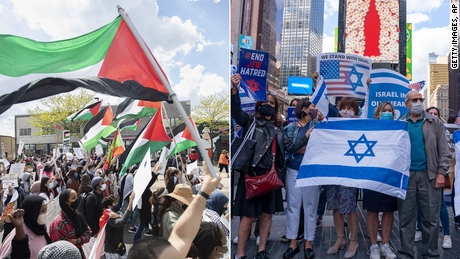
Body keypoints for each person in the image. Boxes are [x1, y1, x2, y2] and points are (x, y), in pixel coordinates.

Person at [231, 73, 311, 259]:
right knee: (248, 217)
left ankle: (262, 250)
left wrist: (305, 137)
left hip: (271, 176)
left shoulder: (278, 128)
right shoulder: (249, 122)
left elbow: (289, 147)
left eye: (273, 104)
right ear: (259, 105)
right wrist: (234, 89)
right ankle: (240, 254)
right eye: (266, 102)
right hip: (252, 175)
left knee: (267, 215)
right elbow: (236, 112)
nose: (269, 105)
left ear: (276, 108)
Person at [127, 162, 221, 259]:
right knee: (141, 226)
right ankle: (136, 240)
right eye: (185, 200)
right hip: (168, 243)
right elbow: (181, 236)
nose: (186, 203)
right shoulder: (171, 214)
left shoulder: (175, 208)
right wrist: (204, 193)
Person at [398, 90, 451, 259]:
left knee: (430, 218)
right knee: (406, 218)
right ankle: (406, 252)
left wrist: (442, 173)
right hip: (405, 178)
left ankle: (431, 252)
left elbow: (444, 151)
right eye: (414, 100)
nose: (419, 102)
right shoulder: (399, 124)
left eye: (420, 99)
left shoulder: (434, 122)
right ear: (407, 103)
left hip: (429, 176)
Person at [282, 98, 320, 259]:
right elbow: (288, 148)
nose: (315, 109)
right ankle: (293, 243)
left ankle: (309, 243)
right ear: (304, 109)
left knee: (311, 208)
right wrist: (302, 142)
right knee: (293, 207)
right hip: (293, 170)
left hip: (312, 171)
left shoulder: (319, 127)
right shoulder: (290, 128)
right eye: (313, 107)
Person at [412, 107, 452, 249]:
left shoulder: (440, 128)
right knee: (419, 204)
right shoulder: (420, 125)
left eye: (436, 114)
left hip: (437, 171)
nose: (434, 115)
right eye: (432, 113)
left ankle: (447, 234)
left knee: (440, 205)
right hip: (422, 172)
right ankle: (420, 230)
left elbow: (444, 151)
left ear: (439, 116)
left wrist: (441, 172)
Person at [327, 96, 362, 258]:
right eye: (343, 107)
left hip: (350, 171)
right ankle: (340, 238)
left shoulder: (360, 124)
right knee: (335, 205)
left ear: (355, 110)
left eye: (350, 107)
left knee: (350, 207)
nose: (346, 110)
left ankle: (353, 240)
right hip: (334, 169)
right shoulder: (333, 123)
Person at [365, 102, 398, 259]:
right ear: (378, 113)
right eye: (384, 111)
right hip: (372, 174)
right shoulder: (371, 127)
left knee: (388, 210)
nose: (387, 113)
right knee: (372, 210)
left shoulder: (398, 129)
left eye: (390, 111)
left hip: (390, 175)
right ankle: (373, 246)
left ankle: (385, 245)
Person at [50, 189, 92, 258]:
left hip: (82, 254)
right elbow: (64, 246)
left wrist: (78, 240)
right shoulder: (60, 223)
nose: (77, 200)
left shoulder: (77, 215)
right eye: (73, 198)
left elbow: (88, 232)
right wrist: (81, 241)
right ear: (66, 202)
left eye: (76, 197)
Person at [102, 192, 135, 259]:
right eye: (115, 203)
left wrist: (119, 215)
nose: (117, 204)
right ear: (110, 207)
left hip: (119, 247)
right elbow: (123, 221)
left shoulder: (116, 213)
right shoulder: (108, 217)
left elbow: (122, 216)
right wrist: (130, 202)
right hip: (112, 250)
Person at [134, 170, 159, 243]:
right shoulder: (142, 187)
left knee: (150, 221)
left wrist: (155, 170)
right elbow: (151, 181)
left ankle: (152, 233)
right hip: (144, 209)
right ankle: (135, 240)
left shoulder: (142, 185)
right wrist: (155, 172)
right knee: (141, 225)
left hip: (145, 208)